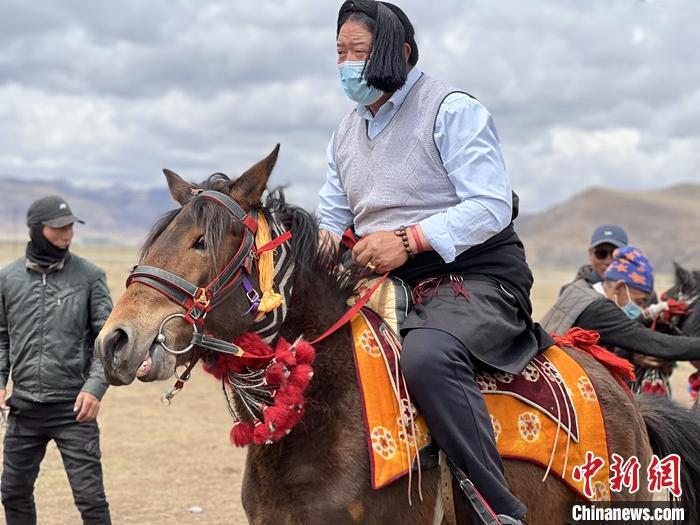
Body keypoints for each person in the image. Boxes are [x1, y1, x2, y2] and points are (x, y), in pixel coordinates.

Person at [317, 2, 552, 522]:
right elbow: (332, 217)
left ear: (400, 53)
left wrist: (409, 239)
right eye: (340, 52)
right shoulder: (344, 133)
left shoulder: (451, 110)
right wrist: (307, 259)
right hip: (384, 281)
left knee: (428, 357)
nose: (347, 64)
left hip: (475, 276)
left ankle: (498, 508)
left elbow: (490, 205)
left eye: (359, 51)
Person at [0, 196, 112, 525]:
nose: (68, 234)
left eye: (70, 227)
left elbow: (106, 342)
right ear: (37, 229)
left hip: (74, 409)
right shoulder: (7, 279)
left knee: (91, 500)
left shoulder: (90, 276)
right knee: (13, 492)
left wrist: (94, 388)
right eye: (59, 228)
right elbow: (1, 336)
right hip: (23, 409)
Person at [541, 247, 700, 375]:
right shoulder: (599, 310)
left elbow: (617, 329)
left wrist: (648, 315)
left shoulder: (581, 289)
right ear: (619, 288)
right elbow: (657, 343)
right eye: (639, 301)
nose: (640, 307)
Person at [560, 224, 628, 294]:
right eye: (601, 253)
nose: (608, 261)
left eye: (616, 255)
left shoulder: (633, 290)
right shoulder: (571, 293)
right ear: (590, 254)